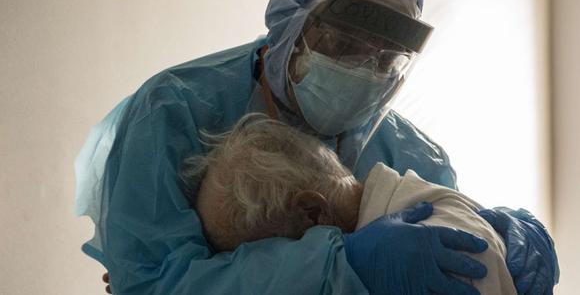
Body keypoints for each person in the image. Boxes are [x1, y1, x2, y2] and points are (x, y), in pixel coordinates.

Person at [75, 0, 559, 294]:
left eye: (386, 57)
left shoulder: (413, 154)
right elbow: (153, 283)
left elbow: (456, 259)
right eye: (343, 43)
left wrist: (508, 237)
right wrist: (337, 265)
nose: (364, 68)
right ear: (290, 23)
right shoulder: (174, 110)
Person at [183, 113, 517, 294]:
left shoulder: (440, 255)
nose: (280, 272)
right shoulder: (410, 206)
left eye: (268, 254)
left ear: (312, 212)